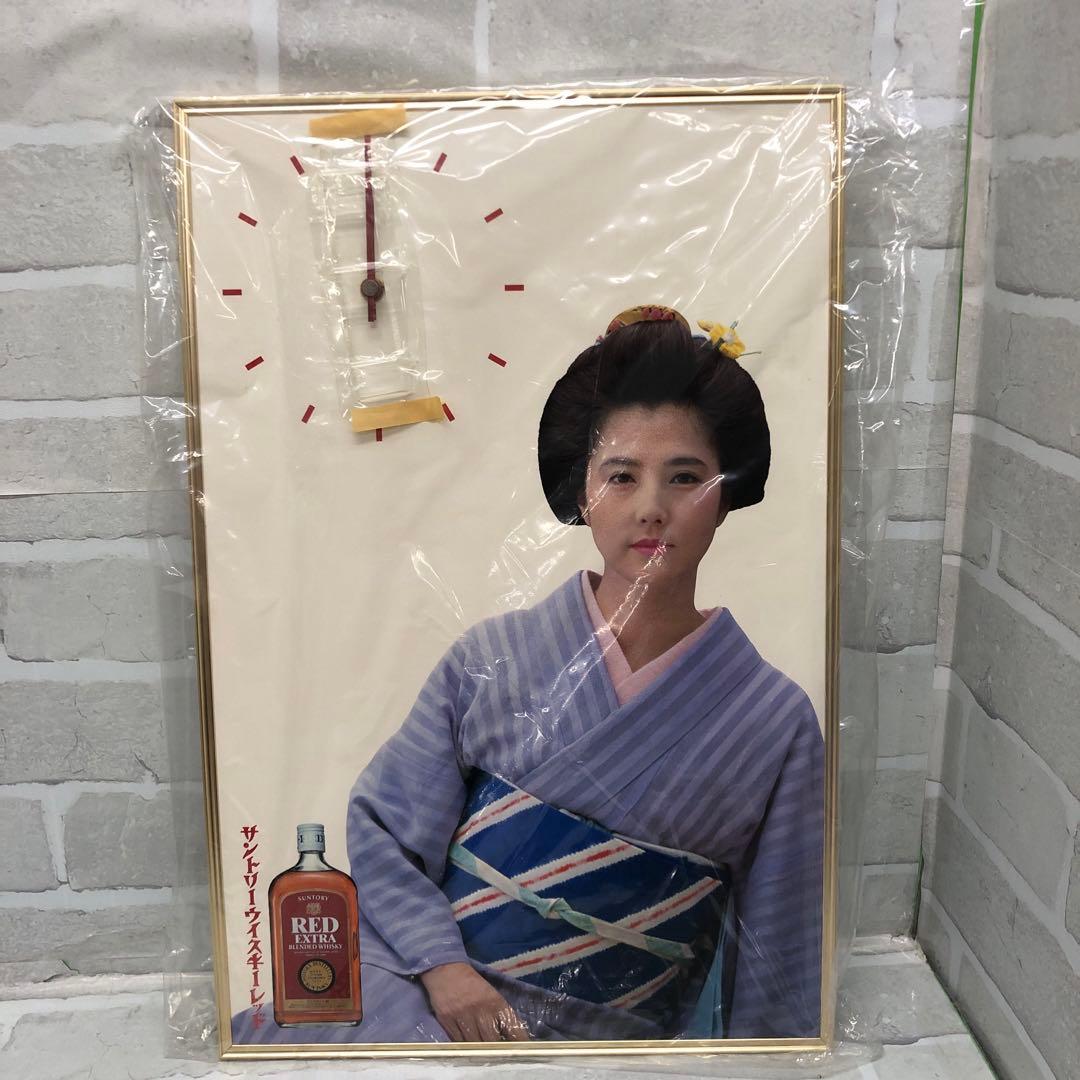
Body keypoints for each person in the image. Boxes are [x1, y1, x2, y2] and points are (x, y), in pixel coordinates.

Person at [233, 305, 824, 1046]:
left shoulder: (774, 720)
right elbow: (386, 834)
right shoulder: (491, 658)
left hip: (604, 1046)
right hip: (423, 995)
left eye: (685, 477)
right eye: (621, 476)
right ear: (581, 493)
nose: (651, 508)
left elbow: (779, 950)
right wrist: (445, 972)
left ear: (726, 495)